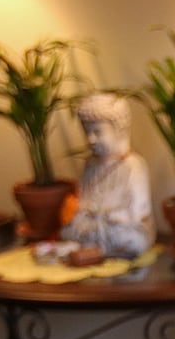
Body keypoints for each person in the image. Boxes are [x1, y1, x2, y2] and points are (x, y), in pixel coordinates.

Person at [62, 92, 154, 258]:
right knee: (67, 231)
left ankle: (95, 248)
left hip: (119, 228)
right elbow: (82, 204)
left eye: (98, 132)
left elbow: (136, 212)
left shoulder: (134, 164)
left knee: (134, 240)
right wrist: (83, 215)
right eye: (87, 132)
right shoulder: (90, 165)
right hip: (93, 226)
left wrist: (107, 216)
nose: (90, 139)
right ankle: (95, 247)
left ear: (118, 130)